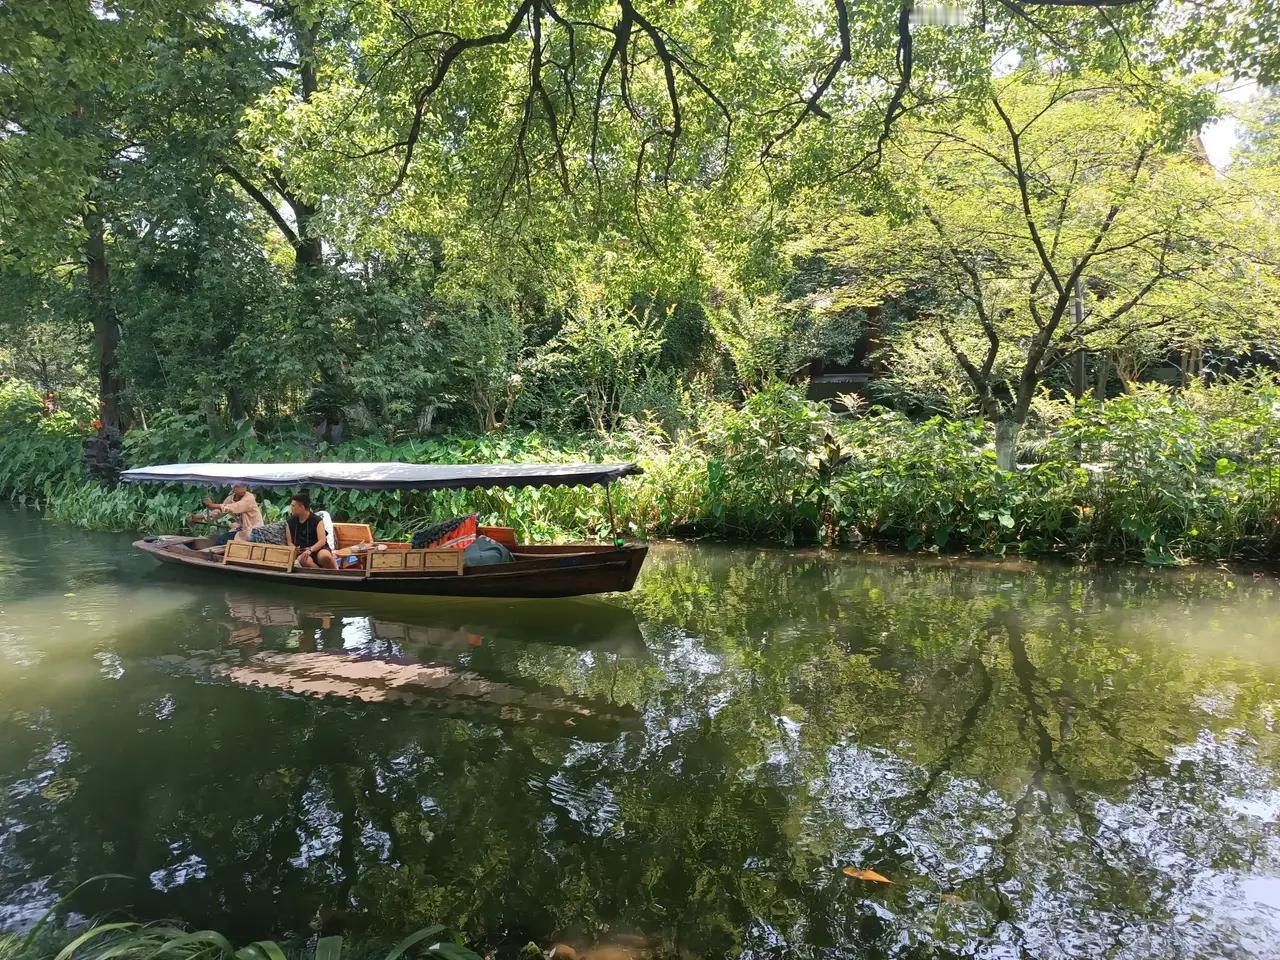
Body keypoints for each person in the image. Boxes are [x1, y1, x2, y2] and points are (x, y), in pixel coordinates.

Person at [190, 483, 262, 545]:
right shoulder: (230, 499)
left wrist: (212, 505)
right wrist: (197, 517)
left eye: (244, 486)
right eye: (239, 486)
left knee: (221, 540)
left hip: (254, 531)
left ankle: (219, 558)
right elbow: (218, 513)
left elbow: (234, 507)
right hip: (242, 531)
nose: (244, 488)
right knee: (220, 539)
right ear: (233, 488)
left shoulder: (249, 497)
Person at [285, 491, 337, 569]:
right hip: (302, 551)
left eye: (293, 506)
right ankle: (323, 575)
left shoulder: (317, 520)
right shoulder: (289, 522)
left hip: (318, 548)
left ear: (301, 507)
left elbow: (322, 541)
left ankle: (336, 573)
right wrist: (295, 549)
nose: (291, 508)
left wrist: (310, 549)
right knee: (304, 559)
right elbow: (289, 542)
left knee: (325, 556)